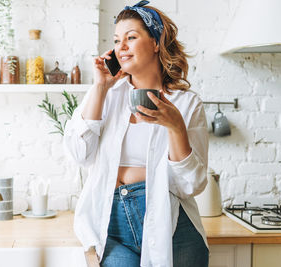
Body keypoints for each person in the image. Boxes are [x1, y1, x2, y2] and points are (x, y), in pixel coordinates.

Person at [63, 1, 209, 266]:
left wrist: (176, 126)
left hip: (172, 225)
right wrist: (100, 88)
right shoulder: (105, 95)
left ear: (155, 43)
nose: (122, 46)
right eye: (117, 40)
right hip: (113, 226)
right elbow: (79, 153)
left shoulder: (186, 104)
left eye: (131, 37)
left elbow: (190, 186)